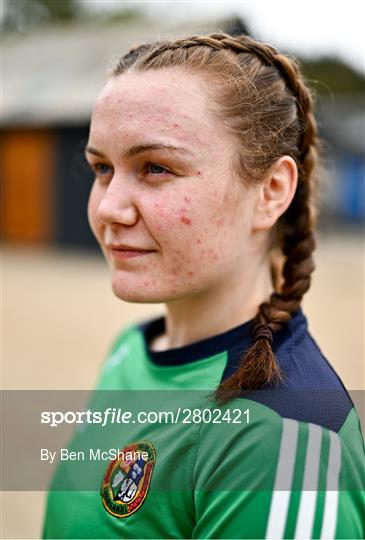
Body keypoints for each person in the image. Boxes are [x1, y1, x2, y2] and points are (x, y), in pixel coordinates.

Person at [42, 32, 365, 539]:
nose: (108, 207)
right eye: (102, 168)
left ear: (271, 192)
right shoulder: (133, 348)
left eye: (155, 167)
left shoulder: (282, 437)